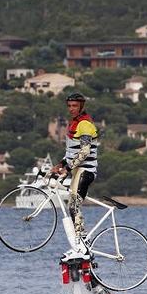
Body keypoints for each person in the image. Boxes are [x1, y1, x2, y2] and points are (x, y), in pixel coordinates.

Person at [52, 92, 98, 258]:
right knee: (72, 205)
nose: (71, 109)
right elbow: (72, 153)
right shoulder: (74, 124)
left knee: (73, 205)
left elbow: (84, 151)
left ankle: (82, 245)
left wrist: (68, 168)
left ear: (81, 107)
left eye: (75, 106)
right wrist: (60, 165)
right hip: (78, 169)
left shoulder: (84, 124)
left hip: (86, 170)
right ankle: (80, 245)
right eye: (69, 106)